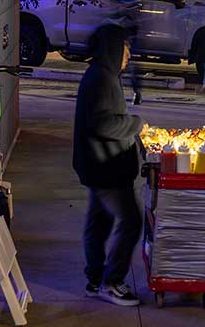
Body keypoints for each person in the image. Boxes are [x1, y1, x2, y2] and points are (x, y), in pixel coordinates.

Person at [73, 25, 143, 307]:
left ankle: (95, 279)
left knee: (99, 223)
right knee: (131, 222)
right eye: (126, 48)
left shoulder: (103, 74)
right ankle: (112, 282)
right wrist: (135, 123)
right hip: (106, 167)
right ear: (114, 48)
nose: (129, 54)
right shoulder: (101, 78)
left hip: (101, 164)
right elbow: (102, 123)